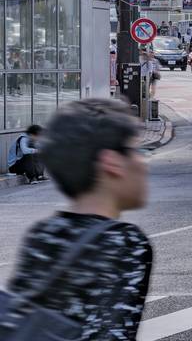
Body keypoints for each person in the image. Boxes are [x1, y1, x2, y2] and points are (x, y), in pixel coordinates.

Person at [3, 99, 152, 340]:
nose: (143, 162)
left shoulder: (42, 233)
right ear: (111, 163)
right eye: (136, 150)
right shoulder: (122, 242)